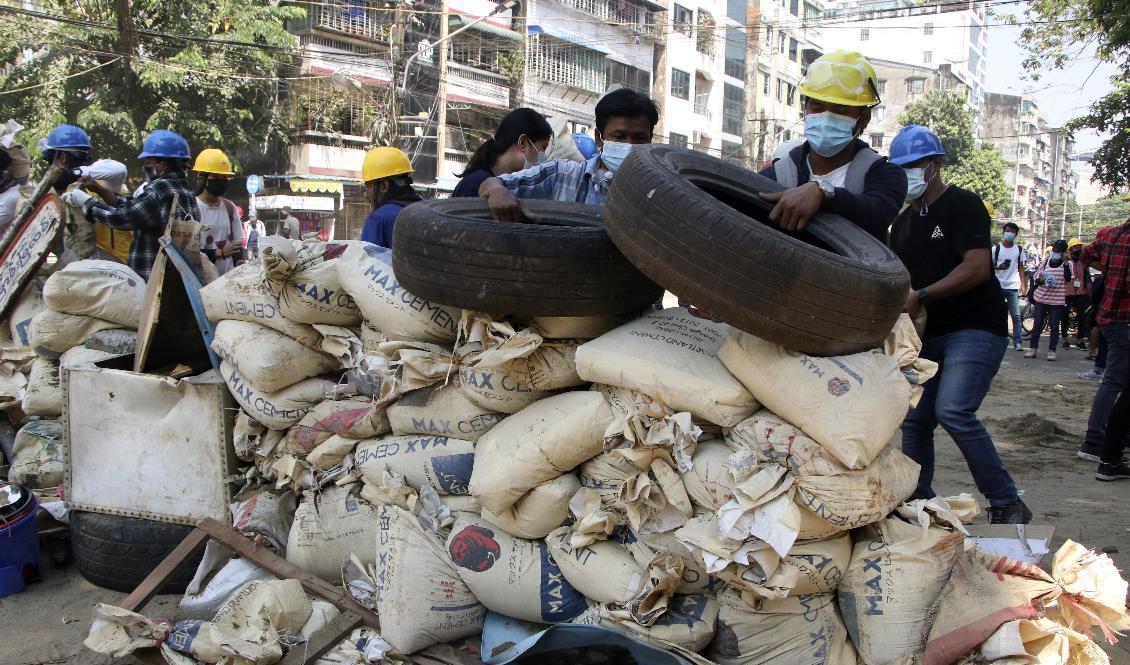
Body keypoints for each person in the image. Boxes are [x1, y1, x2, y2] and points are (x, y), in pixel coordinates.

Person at [887, 125, 1030, 524]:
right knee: (916, 420)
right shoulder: (903, 224)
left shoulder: (963, 205)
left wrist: (923, 295)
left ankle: (1006, 501)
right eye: (902, 167)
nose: (908, 174)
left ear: (935, 165)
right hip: (929, 335)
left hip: (975, 328)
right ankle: (920, 500)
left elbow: (977, 267)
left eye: (915, 165)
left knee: (954, 410)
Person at [757, 51, 907, 241]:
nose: (826, 118)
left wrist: (824, 193)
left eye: (840, 111)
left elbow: (876, 215)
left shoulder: (886, 175)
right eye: (817, 108)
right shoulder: (776, 174)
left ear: (864, 118)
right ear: (805, 111)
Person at [478, 88, 659, 219]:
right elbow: (490, 184)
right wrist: (497, 191)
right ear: (599, 138)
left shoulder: (659, 191)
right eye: (619, 136)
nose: (629, 145)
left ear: (650, 139)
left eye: (639, 137)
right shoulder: (563, 175)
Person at [62, 129, 199, 281]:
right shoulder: (186, 192)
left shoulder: (161, 188)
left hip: (153, 281)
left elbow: (123, 218)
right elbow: (135, 207)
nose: (145, 168)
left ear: (163, 165)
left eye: (148, 163)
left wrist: (87, 202)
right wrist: (99, 190)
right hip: (176, 280)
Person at [1076, 218, 1130, 463]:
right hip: (1123, 320)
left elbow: (1083, 254)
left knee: (1117, 382)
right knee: (1114, 383)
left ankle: (1112, 438)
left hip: (1109, 316)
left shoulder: (1112, 234)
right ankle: (1095, 442)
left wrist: (1106, 271)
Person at [452, 108, 552, 198]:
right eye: (543, 147)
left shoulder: (506, 186)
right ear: (522, 143)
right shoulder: (477, 184)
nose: (543, 155)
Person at [193, 148, 243, 275]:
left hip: (227, 279)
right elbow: (188, 251)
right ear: (202, 178)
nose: (220, 181)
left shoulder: (230, 207)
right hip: (201, 279)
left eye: (224, 177)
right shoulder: (192, 208)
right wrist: (219, 253)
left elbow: (237, 245)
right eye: (215, 177)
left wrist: (239, 263)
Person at [359, 146, 421, 248]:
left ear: (384, 186)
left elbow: (366, 256)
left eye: (367, 186)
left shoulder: (379, 218)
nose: (366, 194)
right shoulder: (428, 212)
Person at [1026, 239, 1071, 360]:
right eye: (1054, 248)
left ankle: (1052, 351)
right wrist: (1041, 280)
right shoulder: (1046, 261)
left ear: (1063, 252)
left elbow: (1068, 279)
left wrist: (1066, 263)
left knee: (1054, 326)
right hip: (1041, 298)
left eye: (1057, 249)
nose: (1054, 250)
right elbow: (1037, 277)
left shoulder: (1067, 264)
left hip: (1057, 301)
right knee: (1037, 324)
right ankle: (1033, 349)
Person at [993, 222, 1027, 350]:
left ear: (1016, 234)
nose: (1010, 233)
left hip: (1012, 286)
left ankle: (1018, 341)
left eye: (1012, 231)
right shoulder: (996, 249)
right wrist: (999, 267)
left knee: (1016, 315)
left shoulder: (1019, 250)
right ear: (1003, 232)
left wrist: (1023, 285)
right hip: (997, 286)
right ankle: (999, 338)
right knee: (997, 314)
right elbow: (989, 267)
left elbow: (1021, 268)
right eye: (1008, 230)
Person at [1061, 237, 1091, 349]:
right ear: (1070, 249)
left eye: (1080, 247)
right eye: (1076, 248)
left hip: (1080, 293)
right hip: (1067, 293)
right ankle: (1065, 339)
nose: (1078, 250)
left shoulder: (1083, 262)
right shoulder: (1065, 262)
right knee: (1064, 316)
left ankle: (1080, 340)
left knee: (1082, 317)